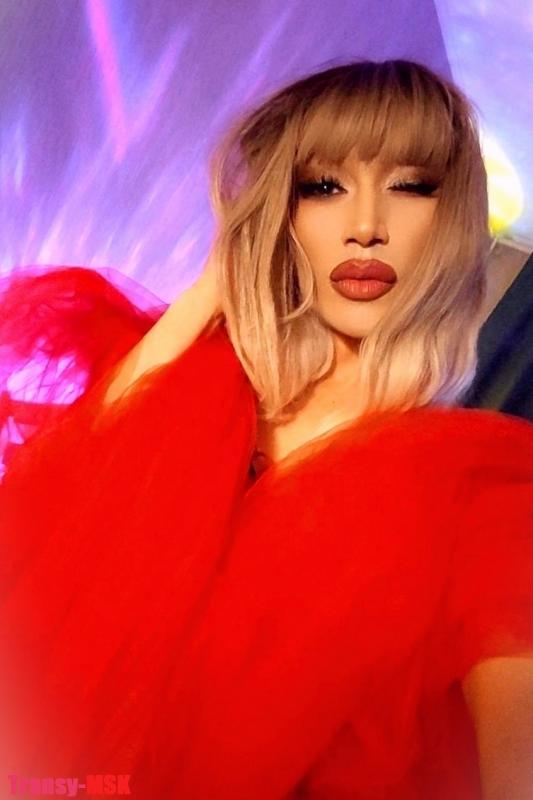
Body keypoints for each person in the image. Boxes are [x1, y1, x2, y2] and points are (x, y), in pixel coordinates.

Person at [0, 58, 532, 800]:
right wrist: (226, 274)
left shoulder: (480, 498)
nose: (366, 227)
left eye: (411, 186)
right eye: (323, 187)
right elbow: (57, 512)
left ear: (452, 223)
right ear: (281, 208)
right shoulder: (200, 393)